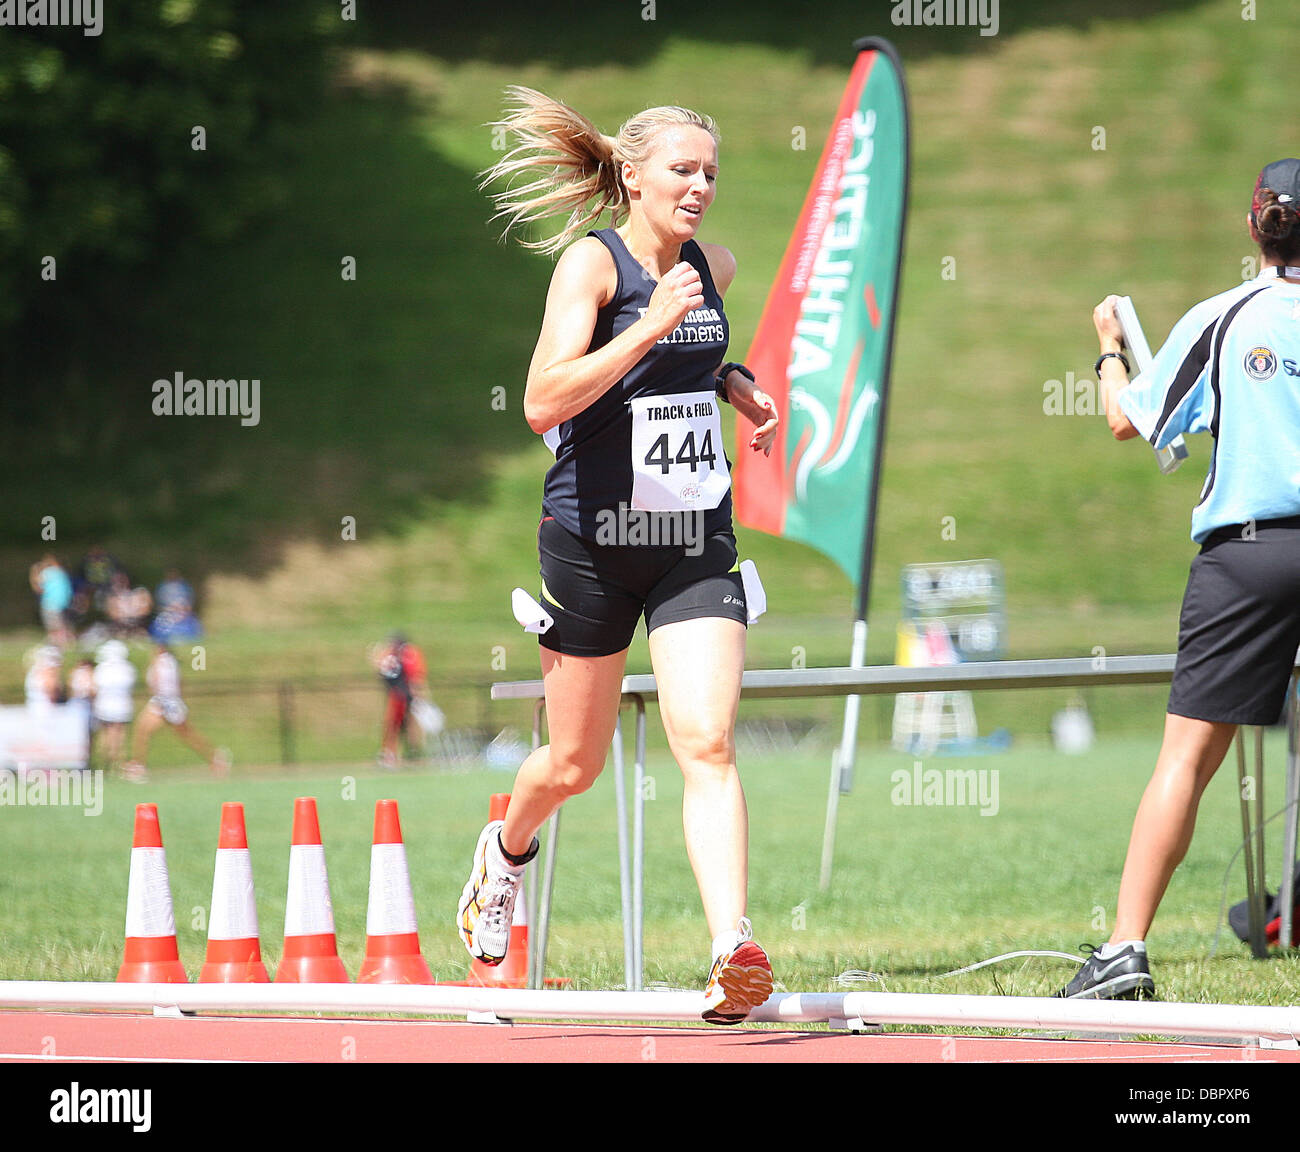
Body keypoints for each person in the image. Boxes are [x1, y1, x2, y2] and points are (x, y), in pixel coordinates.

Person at [456, 87, 780, 1024]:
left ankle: (733, 950)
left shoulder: (710, 266)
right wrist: (648, 323)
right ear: (631, 176)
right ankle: (503, 853)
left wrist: (737, 385)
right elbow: (543, 400)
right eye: (683, 170)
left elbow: (686, 368)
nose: (701, 187)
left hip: (691, 541)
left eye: (711, 173)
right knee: (572, 763)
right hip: (594, 542)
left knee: (708, 742)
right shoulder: (589, 268)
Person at [1057, 158, 1300, 1000]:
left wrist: (1108, 349)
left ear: (1254, 227)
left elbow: (1130, 423)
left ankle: (1125, 950)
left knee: (1188, 761)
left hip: (1249, 554)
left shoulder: (1223, 317)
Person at [123, 641, 229, 782]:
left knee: (187, 735)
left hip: (166, 703)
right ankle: (138, 765)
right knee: (143, 730)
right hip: (162, 702)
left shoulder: (163, 662)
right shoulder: (169, 661)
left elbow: (157, 683)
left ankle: (215, 758)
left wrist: (154, 666)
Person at [371, 633, 429, 767]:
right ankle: (397, 753)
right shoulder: (401, 655)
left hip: (402, 696)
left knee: (400, 725)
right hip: (399, 695)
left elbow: (414, 677)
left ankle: (400, 754)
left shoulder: (407, 655)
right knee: (397, 725)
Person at [92, 639, 136, 776]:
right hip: (122, 706)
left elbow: (95, 687)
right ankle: (117, 764)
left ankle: (107, 765)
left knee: (106, 736)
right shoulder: (128, 669)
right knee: (119, 736)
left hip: (104, 706)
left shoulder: (102, 669)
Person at [29, 554, 73, 648]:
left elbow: (38, 587)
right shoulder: (62, 572)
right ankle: (64, 641)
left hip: (50, 602)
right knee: (62, 622)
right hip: (63, 602)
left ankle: (58, 643)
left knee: (53, 625)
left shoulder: (48, 572)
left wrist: (34, 571)